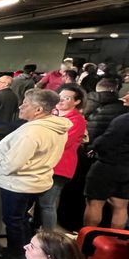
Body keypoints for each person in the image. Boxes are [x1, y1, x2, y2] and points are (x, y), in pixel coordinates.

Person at [0, 89, 70, 259]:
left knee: (14, 221)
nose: (20, 106)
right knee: (21, 220)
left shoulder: (31, 133)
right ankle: (25, 250)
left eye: (25, 104)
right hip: (37, 182)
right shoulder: (56, 127)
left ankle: (16, 257)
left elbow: (11, 165)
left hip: (19, 185)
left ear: (38, 110)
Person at [36, 84, 87, 230]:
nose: (62, 100)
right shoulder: (52, 115)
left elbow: (62, 142)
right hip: (44, 164)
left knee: (47, 204)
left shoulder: (77, 120)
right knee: (40, 203)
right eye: (60, 96)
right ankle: (36, 233)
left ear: (77, 101)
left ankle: (48, 239)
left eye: (67, 98)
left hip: (60, 168)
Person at [83, 94, 129, 229]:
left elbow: (106, 141)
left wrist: (93, 147)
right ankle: (115, 243)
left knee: (95, 203)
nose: (125, 96)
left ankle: (87, 242)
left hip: (108, 166)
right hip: (127, 170)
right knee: (121, 206)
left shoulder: (124, 120)